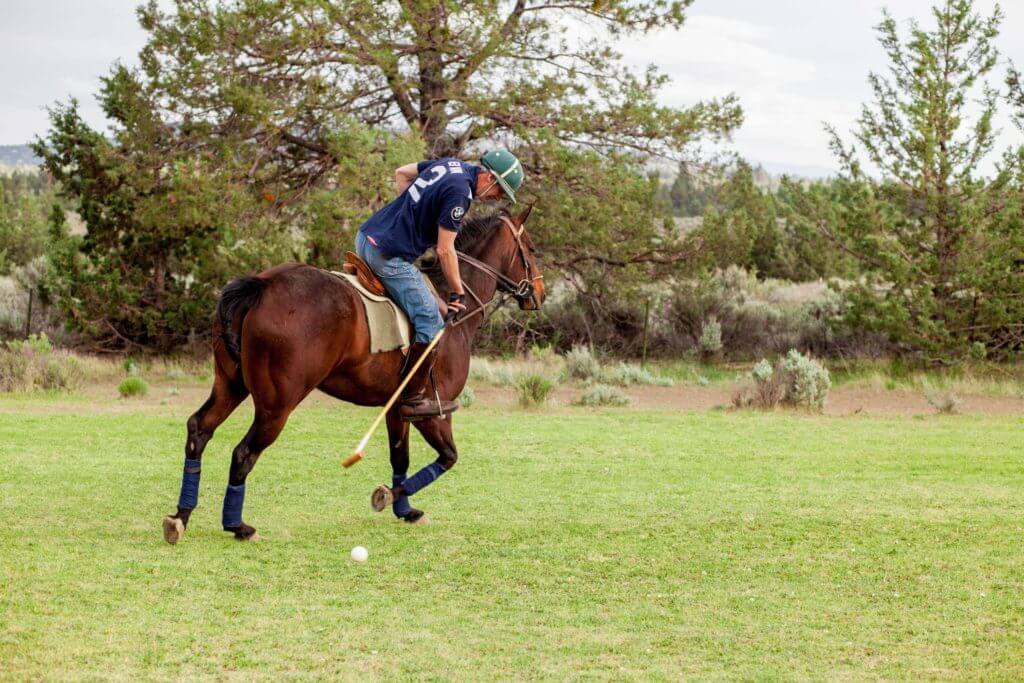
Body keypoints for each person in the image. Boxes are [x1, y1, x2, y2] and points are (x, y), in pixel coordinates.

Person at [356, 149, 525, 420]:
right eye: (500, 192)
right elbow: (446, 251)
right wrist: (458, 290)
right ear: (490, 178)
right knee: (432, 322)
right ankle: (412, 398)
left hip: (365, 238)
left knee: (430, 302)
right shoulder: (461, 195)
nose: (497, 198)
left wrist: (412, 213)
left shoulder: (450, 165)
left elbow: (402, 173)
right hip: (388, 257)